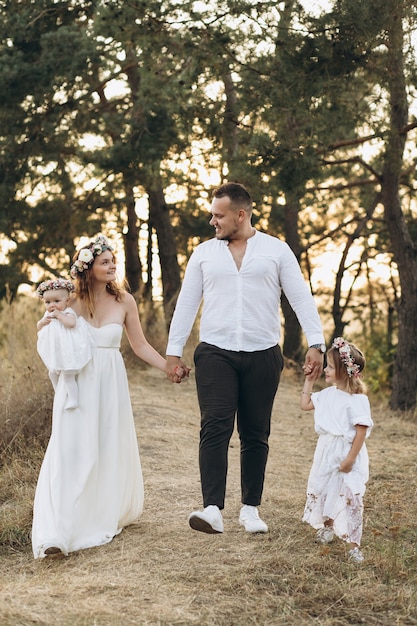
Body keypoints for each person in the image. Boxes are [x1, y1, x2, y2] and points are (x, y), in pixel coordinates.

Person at [166, 182, 325, 535]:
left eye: (218, 215)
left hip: (263, 352)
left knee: (256, 432)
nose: (212, 221)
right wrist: (172, 353)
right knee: (215, 426)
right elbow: (187, 304)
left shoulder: (276, 250)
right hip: (215, 352)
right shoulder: (204, 254)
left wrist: (317, 342)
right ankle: (212, 509)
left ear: (241, 214)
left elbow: (300, 297)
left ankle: (250, 510)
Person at [31, 235, 179, 559]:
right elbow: (49, 332)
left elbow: (139, 346)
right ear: (88, 268)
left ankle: (100, 512)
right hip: (79, 382)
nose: (112, 266)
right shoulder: (70, 301)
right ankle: (58, 529)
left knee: (106, 444)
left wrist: (168, 367)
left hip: (110, 382)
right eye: (105, 262)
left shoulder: (125, 301)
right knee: (71, 447)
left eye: (114, 261)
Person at [300, 337, 373, 563]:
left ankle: (353, 544)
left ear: (345, 370)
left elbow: (360, 432)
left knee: (351, 496)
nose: (326, 370)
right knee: (328, 489)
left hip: (347, 452)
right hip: (327, 451)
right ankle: (328, 527)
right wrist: (309, 381)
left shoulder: (358, 400)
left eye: (330, 367)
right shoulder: (328, 394)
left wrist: (350, 459)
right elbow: (305, 404)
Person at [36, 277, 94, 410]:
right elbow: (39, 327)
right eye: (48, 302)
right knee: (52, 372)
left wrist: (59, 315)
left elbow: (71, 324)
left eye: (57, 301)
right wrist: (42, 322)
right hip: (56, 349)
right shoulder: (47, 313)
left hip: (68, 349)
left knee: (68, 374)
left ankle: (74, 399)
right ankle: (59, 393)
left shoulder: (67, 312)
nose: (52, 305)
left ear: (67, 301)